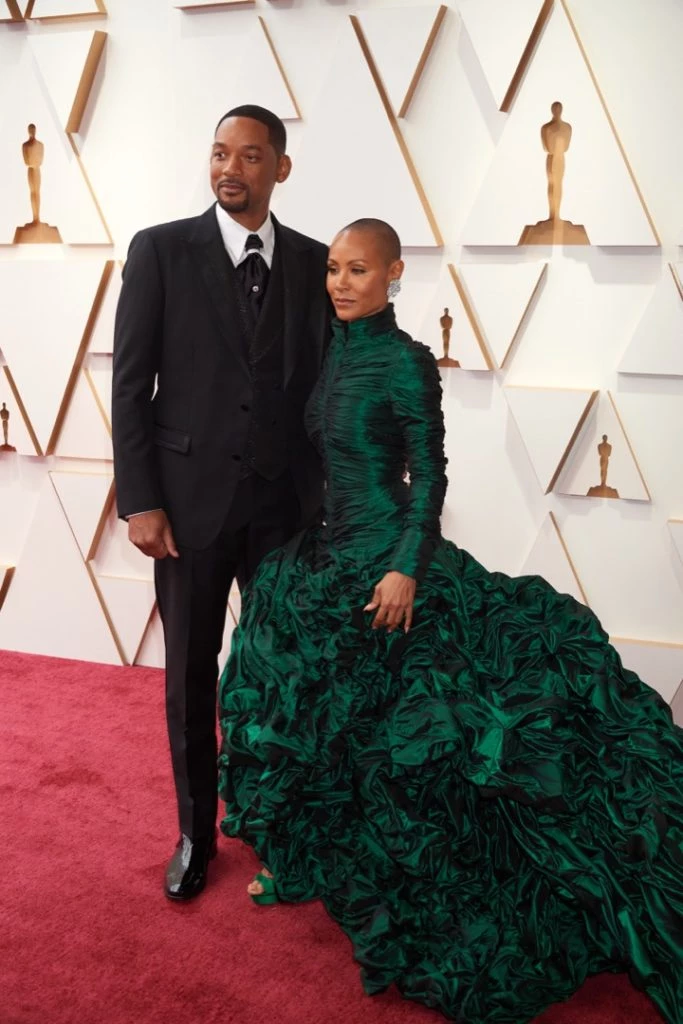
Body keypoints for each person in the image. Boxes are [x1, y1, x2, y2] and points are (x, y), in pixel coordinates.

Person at [217, 218, 683, 1024]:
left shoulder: (404, 362)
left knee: (423, 734)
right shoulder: (333, 355)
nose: (338, 282)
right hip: (327, 561)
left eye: (356, 270)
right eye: (331, 269)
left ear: (393, 274)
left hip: (391, 566)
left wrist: (403, 567)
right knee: (302, 703)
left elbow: (427, 475)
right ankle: (318, 861)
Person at [112, 105, 329, 902]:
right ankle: (195, 834)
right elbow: (131, 386)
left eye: (248, 155)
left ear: (280, 168)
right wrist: (140, 500)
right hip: (187, 511)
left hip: (285, 515)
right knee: (189, 681)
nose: (228, 169)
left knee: (279, 679)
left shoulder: (314, 264)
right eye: (218, 153)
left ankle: (276, 829)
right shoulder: (161, 251)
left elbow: (328, 394)